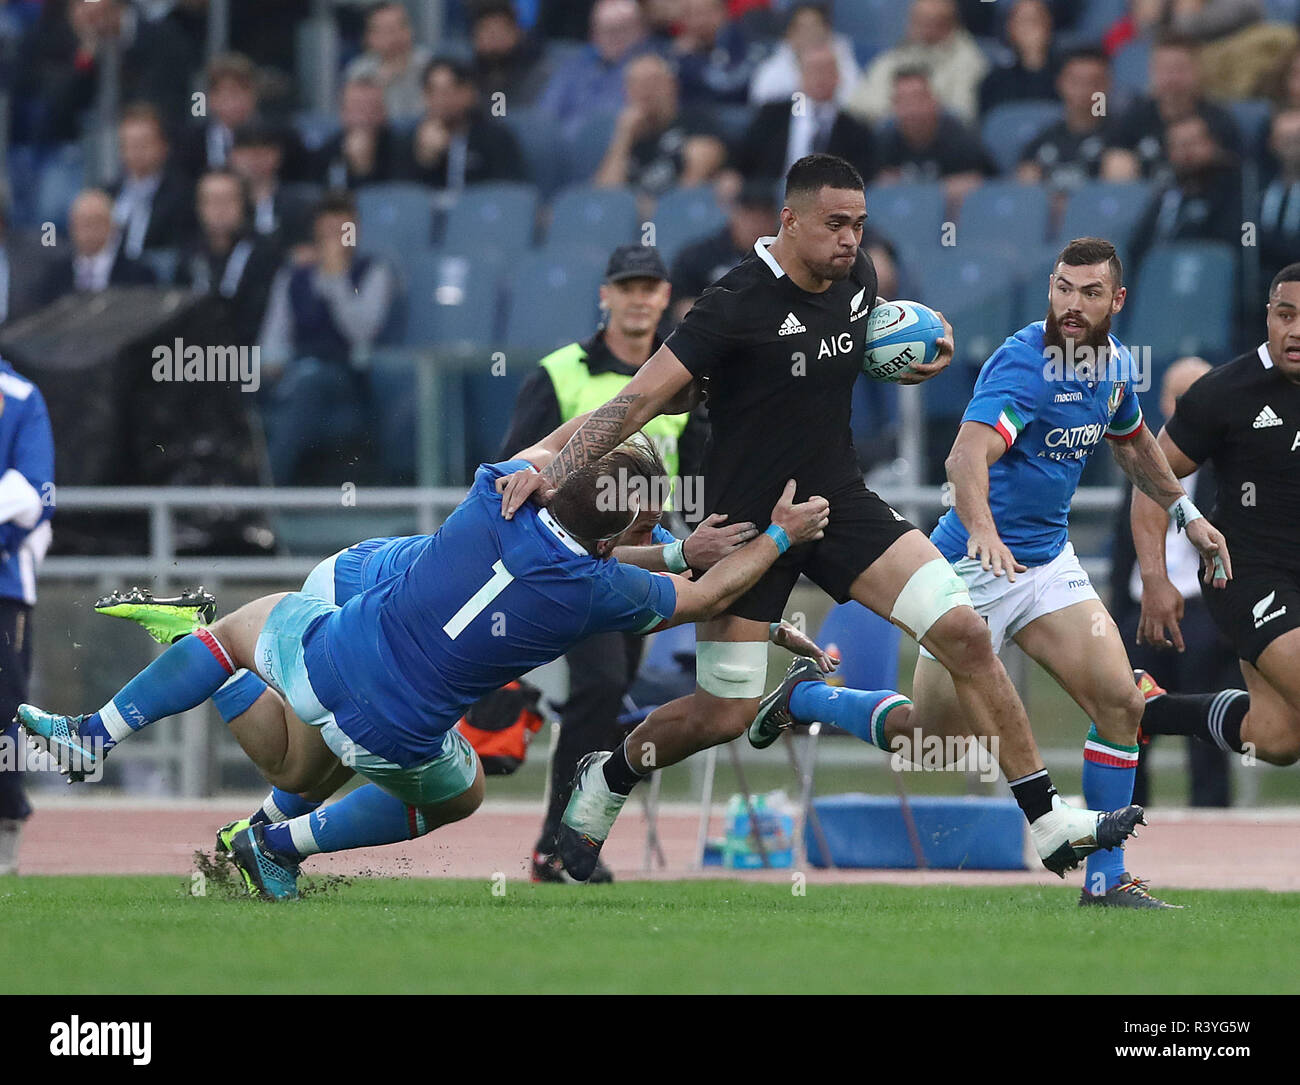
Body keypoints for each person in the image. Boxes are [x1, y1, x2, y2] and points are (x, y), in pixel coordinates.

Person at [497, 154, 1146, 883]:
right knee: (722, 713)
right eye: (835, 224)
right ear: (790, 220)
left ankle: (1047, 818)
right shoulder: (730, 305)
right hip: (746, 524)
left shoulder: (858, 279)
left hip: (840, 503)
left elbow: (875, 344)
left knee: (963, 628)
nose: (851, 239)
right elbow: (640, 401)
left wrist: (928, 348)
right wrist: (547, 468)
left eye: (860, 224)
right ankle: (610, 773)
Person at [19, 440, 831, 900]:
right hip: (398, 731)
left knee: (241, 638)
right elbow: (710, 591)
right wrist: (782, 535)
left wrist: (566, 469)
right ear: (627, 527)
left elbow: (579, 491)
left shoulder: (496, 494)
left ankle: (99, 731)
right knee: (460, 793)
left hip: (332, 643)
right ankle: (283, 841)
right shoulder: (600, 593)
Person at [775, 238, 1229, 908]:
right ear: (1051, 287)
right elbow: (965, 460)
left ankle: (1105, 881)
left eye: (1090, 293)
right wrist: (983, 532)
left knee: (1121, 700)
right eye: (1063, 288)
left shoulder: (1113, 366)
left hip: (1046, 565)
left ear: (1118, 300)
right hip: (972, 567)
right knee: (929, 738)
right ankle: (808, 699)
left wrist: (1185, 509)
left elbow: (1134, 443)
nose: (1072, 306)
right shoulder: (1027, 362)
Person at [497, 244, 712, 882]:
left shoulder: (680, 374)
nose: (640, 298)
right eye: (628, 286)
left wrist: (695, 540)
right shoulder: (562, 371)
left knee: (608, 690)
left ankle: (564, 843)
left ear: (665, 297)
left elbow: (696, 472)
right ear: (606, 296)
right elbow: (516, 461)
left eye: (651, 287)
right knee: (598, 684)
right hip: (568, 555)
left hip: (640, 556)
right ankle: (562, 844)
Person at [1131, 264, 1300, 769]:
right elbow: (1148, 482)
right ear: (1268, 317)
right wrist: (1156, 580)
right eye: (1286, 315)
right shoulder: (1225, 392)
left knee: (1277, 739)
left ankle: (1150, 711)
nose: (1296, 330)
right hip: (1249, 575)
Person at [1109, 357, 1234, 809]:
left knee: (1207, 729)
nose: (1186, 407)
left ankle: (1213, 828)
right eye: (1178, 398)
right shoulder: (1138, 462)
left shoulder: (1228, 470)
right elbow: (1122, 545)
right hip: (1141, 615)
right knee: (1127, 721)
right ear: (1162, 401)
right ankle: (1123, 817)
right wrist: (1118, 615)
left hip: (1201, 615)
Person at [257, 192, 398, 484]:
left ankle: (265, 489)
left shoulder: (374, 272)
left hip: (347, 374)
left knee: (307, 381)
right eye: (328, 230)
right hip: (295, 370)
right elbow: (274, 335)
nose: (335, 238)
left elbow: (361, 333)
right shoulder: (294, 277)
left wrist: (335, 280)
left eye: (342, 230)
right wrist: (269, 367)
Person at [0, 359, 54, 875]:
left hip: (3, 585)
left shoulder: (17, 396)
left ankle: (5, 823)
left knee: (2, 713)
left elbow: (33, 494)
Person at [591, 53, 727, 208]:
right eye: (634, 84)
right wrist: (623, 137)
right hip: (627, 222)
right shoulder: (625, 132)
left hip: (673, 220)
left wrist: (656, 211)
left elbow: (691, 190)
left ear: (672, 85)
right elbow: (603, 197)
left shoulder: (697, 122)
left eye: (652, 82)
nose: (644, 91)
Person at [732, 43, 878, 185]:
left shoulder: (855, 130)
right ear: (801, 75)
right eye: (814, 70)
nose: (820, 77)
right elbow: (744, 155)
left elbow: (862, 178)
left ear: (838, 77)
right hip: (770, 202)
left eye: (827, 70)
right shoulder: (773, 115)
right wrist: (731, 173)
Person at [174, 170, 282, 346]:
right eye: (211, 201)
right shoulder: (189, 254)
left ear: (244, 204)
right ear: (199, 207)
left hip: (250, 351)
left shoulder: (265, 252)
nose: (220, 209)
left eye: (228, 200)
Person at [845, 0, 989, 125]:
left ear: (948, 25)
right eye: (916, 21)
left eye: (929, 22)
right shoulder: (896, 55)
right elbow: (857, 105)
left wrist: (914, 114)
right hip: (886, 138)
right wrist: (896, 115)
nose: (918, 29)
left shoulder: (969, 62)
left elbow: (962, 116)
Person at [396, 57, 526, 193]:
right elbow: (404, 200)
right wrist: (426, 162)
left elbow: (508, 192)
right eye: (432, 92)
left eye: (446, 91)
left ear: (468, 93)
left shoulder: (495, 137)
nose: (439, 100)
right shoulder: (412, 139)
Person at [106, 104, 197, 260]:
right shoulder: (107, 196)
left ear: (164, 146)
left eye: (144, 143)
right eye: (129, 143)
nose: (136, 150)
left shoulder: (182, 196)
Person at [1016, 48, 1113, 193]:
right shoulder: (1040, 142)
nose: (1084, 90)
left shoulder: (1120, 140)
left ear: (1107, 85)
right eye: (1076, 81)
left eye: (1093, 82)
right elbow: (1026, 198)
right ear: (1060, 83)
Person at [42, 189, 155, 297]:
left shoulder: (138, 275)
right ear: (71, 227)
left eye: (97, 221)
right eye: (84, 223)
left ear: (113, 226)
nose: (90, 230)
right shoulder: (54, 277)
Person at [749, 2, 860, 109]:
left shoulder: (843, 65)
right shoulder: (771, 74)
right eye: (803, 28)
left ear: (826, 31)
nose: (810, 34)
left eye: (815, 27)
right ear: (789, 34)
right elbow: (765, 112)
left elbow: (853, 106)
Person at [341, 1, 434, 124]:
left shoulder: (429, 64)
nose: (396, 36)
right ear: (370, 37)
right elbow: (352, 119)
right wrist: (380, 82)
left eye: (401, 27)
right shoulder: (358, 71)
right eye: (388, 30)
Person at [311, 76, 400, 192]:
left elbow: (401, 196)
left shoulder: (400, 148)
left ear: (384, 113)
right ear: (343, 113)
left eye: (371, 108)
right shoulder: (326, 152)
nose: (364, 117)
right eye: (357, 108)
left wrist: (365, 168)